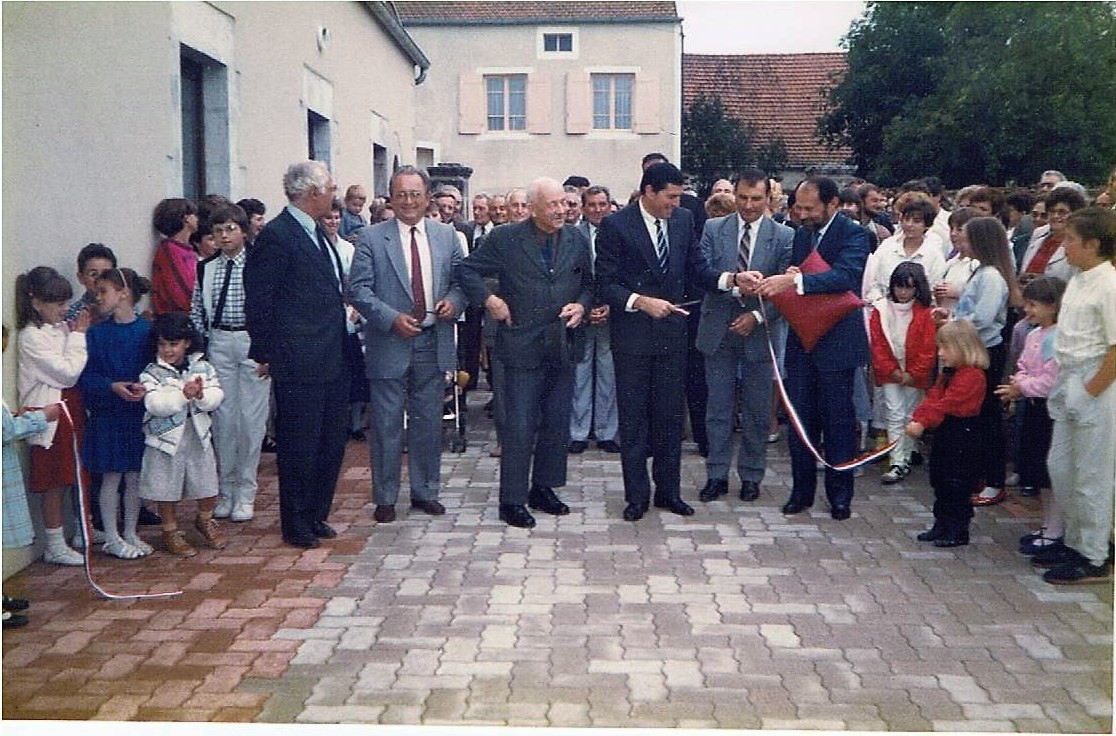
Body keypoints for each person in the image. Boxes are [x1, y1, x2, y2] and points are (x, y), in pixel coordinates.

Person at [458, 177, 593, 528]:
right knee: (518, 425)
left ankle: (543, 488)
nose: (562, 210)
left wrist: (581, 306)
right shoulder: (504, 239)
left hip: (561, 343)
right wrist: (489, 300)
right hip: (520, 344)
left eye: (564, 203)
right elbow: (466, 270)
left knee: (555, 421)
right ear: (532, 208)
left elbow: (590, 284)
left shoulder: (577, 239)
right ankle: (512, 499)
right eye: (553, 205)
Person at [349, 166, 466, 523]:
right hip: (390, 342)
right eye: (401, 194)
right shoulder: (371, 237)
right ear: (391, 197)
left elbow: (462, 282)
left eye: (415, 194)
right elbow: (358, 290)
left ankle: (425, 491)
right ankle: (385, 497)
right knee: (385, 424)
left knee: (428, 423)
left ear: (427, 197)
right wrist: (390, 318)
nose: (409, 201)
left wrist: (453, 302)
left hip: (433, 340)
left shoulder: (447, 236)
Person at [244, 160, 348, 549]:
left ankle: (316, 513)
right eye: (330, 188)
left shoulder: (316, 233)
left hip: (332, 354)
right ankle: (296, 522)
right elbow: (260, 300)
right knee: (300, 444)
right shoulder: (279, 236)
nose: (334, 194)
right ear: (312, 192)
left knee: (330, 441)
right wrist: (267, 352)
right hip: (299, 359)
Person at [595, 162, 706, 521]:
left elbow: (697, 269)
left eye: (679, 196)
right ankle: (637, 496)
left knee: (670, 418)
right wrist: (640, 301)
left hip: (673, 338)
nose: (676, 204)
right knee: (634, 419)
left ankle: (668, 492)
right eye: (670, 197)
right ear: (649, 192)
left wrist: (732, 280)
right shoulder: (616, 225)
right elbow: (606, 283)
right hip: (633, 340)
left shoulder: (685, 221)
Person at [757, 176, 871, 520]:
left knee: (838, 421)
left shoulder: (854, 234)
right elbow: (802, 276)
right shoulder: (803, 234)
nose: (802, 215)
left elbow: (845, 277)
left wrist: (795, 279)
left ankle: (840, 495)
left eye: (810, 208)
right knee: (801, 418)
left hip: (838, 343)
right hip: (802, 340)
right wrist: (795, 274)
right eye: (799, 208)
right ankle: (801, 492)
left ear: (832, 204)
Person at [694, 169, 793, 505]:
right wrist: (733, 279)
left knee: (756, 410)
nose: (749, 205)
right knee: (718, 409)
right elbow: (701, 272)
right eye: (743, 198)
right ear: (734, 195)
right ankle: (716, 474)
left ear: (769, 199)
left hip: (759, 331)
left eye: (756, 199)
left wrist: (755, 316)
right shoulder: (712, 228)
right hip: (718, 328)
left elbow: (787, 293)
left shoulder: (783, 236)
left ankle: (752, 474)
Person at [1035, 208, 1116, 585]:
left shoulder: (1109, 284)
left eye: (1070, 239)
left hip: (1094, 382)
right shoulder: (1080, 278)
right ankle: (1076, 539)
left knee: (1092, 473)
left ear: (1093, 244)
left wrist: (1090, 391)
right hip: (1069, 378)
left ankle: (1096, 553)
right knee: (1061, 467)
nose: (1064, 244)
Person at [933, 217, 1022, 507]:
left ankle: (994, 480)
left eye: (967, 237)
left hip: (984, 351)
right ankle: (978, 474)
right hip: (971, 348)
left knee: (986, 417)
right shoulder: (980, 272)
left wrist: (956, 325)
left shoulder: (993, 277)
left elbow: (982, 318)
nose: (961, 241)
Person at [190, 203, 270, 523]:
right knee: (224, 420)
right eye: (218, 231)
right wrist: (199, 351)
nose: (224, 236)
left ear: (244, 231)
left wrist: (269, 351)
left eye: (230, 229)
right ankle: (226, 488)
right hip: (220, 340)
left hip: (252, 341)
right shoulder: (206, 268)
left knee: (251, 421)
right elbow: (197, 310)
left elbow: (271, 307)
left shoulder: (259, 264)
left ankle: (246, 491)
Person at [16, 268, 91, 565]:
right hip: (49, 414)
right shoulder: (30, 338)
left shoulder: (57, 329)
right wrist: (78, 336)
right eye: (57, 304)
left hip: (66, 408)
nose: (63, 310)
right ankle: (54, 543)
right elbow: (68, 373)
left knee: (70, 475)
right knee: (53, 481)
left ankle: (78, 531)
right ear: (36, 303)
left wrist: (72, 336)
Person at [78, 268, 153, 559]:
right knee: (111, 476)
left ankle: (131, 531)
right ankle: (111, 535)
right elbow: (86, 376)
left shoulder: (146, 332)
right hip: (108, 413)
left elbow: (155, 370)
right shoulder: (96, 334)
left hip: (135, 414)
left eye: (103, 291)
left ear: (123, 293)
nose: (98, 298)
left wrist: (145, 387)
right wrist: (111, 387)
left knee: (134, 475)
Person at [138, 313, 225, 557]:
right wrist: (182, 396)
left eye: (173, 344)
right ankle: (170, 529)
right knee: (167, 487)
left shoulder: (203, 368)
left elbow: (217, 395)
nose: (167, 350)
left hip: (198, 435)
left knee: (206, 482)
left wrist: (201, 396)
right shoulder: (152, 373)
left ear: (187, 343)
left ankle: (205, 518)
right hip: (165, 441)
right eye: (162, 344)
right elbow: (155, 404)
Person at [996, 276, 1064, 554]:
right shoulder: (1034, 334)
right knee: (1038, 472)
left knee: (1051, 473)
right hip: (1033, 408)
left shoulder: (1058, 337)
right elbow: (1023, 365)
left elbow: (1051, 380)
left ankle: (1056, 528)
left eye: (1033, 305)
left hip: (1049, 411)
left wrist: (1020, 387)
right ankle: (1047, 524)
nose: (1028, 311)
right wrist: (1019, 381)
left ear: (1053, 306)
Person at [906, 320, 988, 547]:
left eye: (945, 348)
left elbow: (948, 403)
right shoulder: (949, 373)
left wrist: (923, 422)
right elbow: (933, 397)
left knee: (957, 482)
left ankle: (958, 529)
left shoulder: (973, 376)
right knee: (940, 479)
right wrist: (918, 417)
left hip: (963, 433)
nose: (940, 354)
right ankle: (941, 523)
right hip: (946, 432)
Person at [869, 262, 937, 484]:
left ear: (918, 288)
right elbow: (877, 344)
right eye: (899, 287)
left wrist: (914, 373)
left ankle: (906, 455)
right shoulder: (881, 309)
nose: (903, 292)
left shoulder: (925, 313)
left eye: (908, 288)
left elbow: (928, 349)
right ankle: (897, 460)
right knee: (894, 413)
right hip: (891, 371)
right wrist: (893, 371)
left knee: (910, 414)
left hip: (914, 374)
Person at [568, 185, 620, 455]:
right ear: (584, 208)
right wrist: (584, 306)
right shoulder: (573, 235)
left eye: (602, 204)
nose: (598, 209)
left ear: (610, 205)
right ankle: (578, 431)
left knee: (608, 372)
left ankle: (606, 431)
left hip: (613, 312)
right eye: (592, 205)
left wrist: (611, 305)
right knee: (581, 371)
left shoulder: (621, 232)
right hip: (581, 310)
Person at [863, 196, 947, 305]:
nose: (909, 224)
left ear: (927, 225)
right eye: (906, 219)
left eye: (916, 221)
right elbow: (872, 281)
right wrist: (880, 302)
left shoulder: (934, 255)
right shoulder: (887, 245)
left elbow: (934, 290)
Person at [1020, 186, 1087, 283]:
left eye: (1062, 212)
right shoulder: (1037, 240)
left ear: (1075, 214)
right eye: (1052, 211)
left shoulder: (1077, 246)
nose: (1056, 216)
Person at [150, 198, 200, 314]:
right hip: (177, 317)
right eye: (194, 215)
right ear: (186, 219)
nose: (197, 219)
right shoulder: (170, 249)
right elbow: (179, 287)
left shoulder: (187, 249)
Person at [64, 243, 117, 324]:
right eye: (93, 274)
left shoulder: (125, 309)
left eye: (106, 274)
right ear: (81, 278)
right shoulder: (71, 315)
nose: (100, 280)